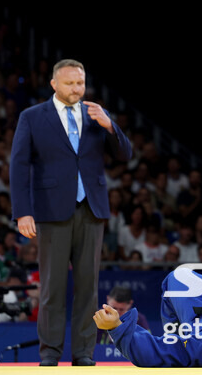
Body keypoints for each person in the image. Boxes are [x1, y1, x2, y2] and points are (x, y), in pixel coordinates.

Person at [9, 59, 132, 366]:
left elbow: (125, 154)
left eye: (80, 83)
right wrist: (23, 212)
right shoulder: (33, 117)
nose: (76, 89)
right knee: (52, 287)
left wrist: (109, 125)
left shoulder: (95, 115)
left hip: (91, 209)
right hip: (51, 211)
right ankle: (50, 354)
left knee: (88, 289)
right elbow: (19, 166)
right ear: (54, 84)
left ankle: (84, 354)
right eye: (69, 84)